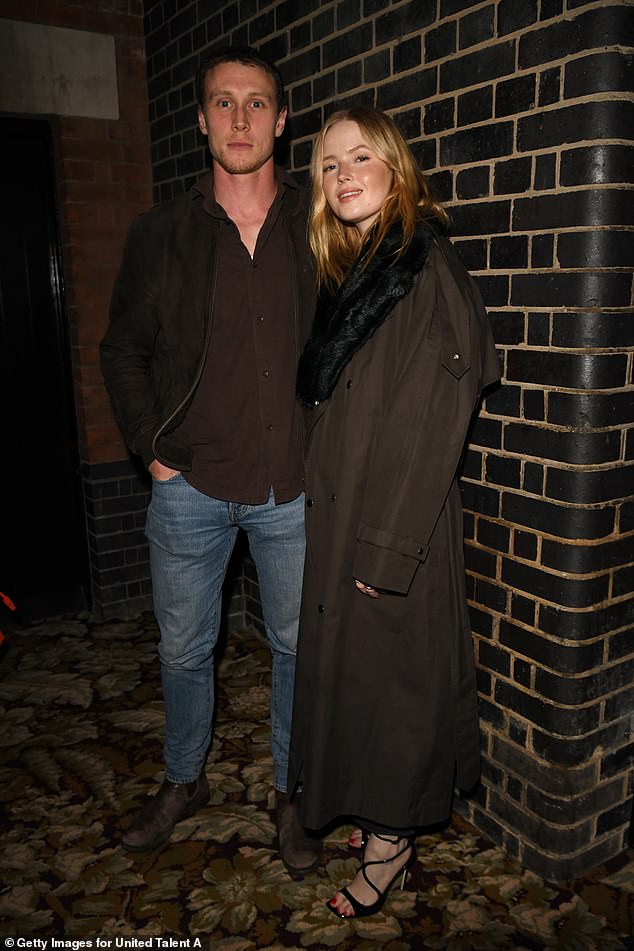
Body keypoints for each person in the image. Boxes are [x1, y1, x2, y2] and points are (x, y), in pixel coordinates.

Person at [100, 46, 320, 878]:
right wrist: (152, 448)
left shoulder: (315, 221)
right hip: (188, 484)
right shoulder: (160, 233)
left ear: (281, 119)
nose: (239, 119)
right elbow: (122, 349)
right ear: (200, 119)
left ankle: (292, 794)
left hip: (290, 486)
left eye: (256, 103)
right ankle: (183, 778)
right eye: (222, 103)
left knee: (299, 648)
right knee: (186, 649)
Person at [287, 107, 499, 917]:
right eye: (329, 165)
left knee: (396, 696)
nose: (343, 175)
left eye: (360, 157)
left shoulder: (420, 265)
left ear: (396, 169)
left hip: (390, 530)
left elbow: (435, 414)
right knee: (362, 685)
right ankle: (375, 817)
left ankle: (390, 846)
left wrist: (385, 549)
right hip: (351, 523)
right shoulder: (361, 270)